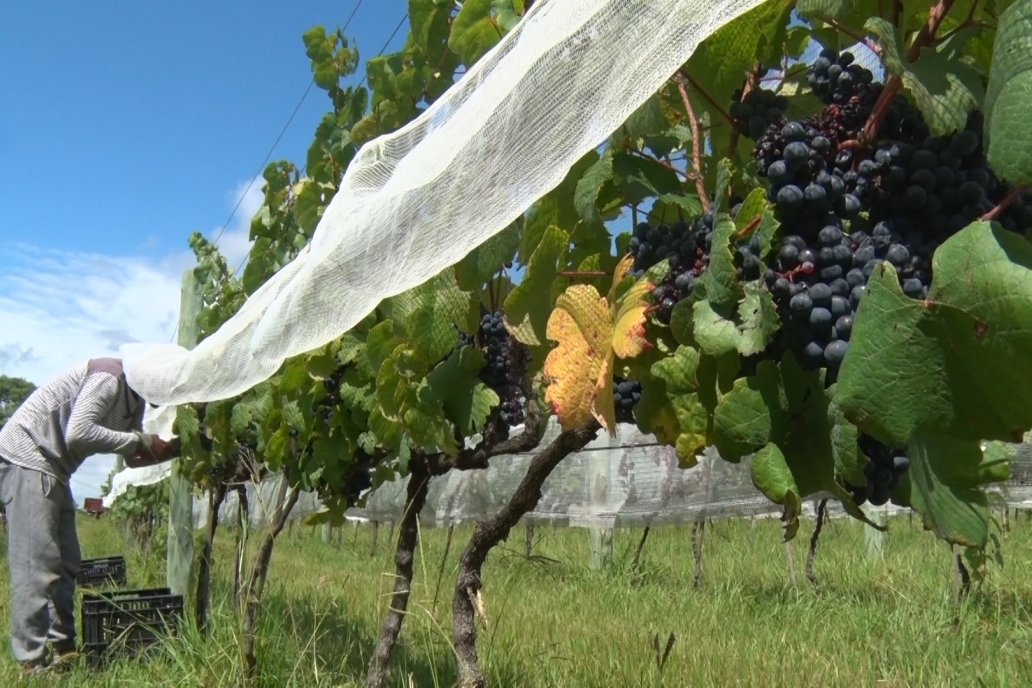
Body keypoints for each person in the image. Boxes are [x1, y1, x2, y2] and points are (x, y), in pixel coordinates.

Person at [0, 357, 179, 675]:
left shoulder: (132, 402)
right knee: (36, 564)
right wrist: (141, 441)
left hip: (55, 469)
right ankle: (31, 662)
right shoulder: (109, 378)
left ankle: (64, 649)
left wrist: (173, 449)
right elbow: (78, 433)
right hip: (29, 458)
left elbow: (132, 458)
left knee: (66, 562)